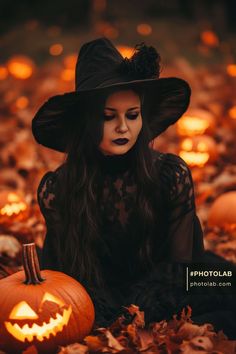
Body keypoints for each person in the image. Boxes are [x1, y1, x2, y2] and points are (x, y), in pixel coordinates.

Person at [32, 38, 235, 338]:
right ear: (87, 121)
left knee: (222, 286)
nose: (123, 128)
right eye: (108, 116)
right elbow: (68, 275)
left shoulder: (170, 174)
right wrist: (114, 314)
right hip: (97, 292)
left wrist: (144, 307)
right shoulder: (57, 190)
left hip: (172, 281)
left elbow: (179, 268)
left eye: (132, 114)